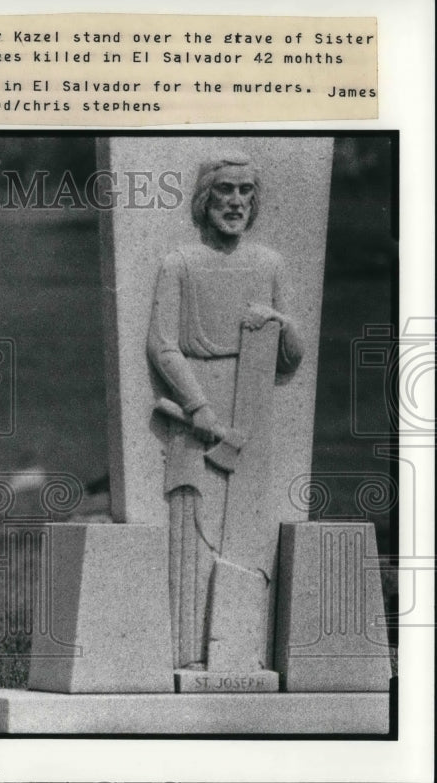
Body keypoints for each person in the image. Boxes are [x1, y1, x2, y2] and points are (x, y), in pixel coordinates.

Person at [147, 153, 303, 670]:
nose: (236, 201)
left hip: (252, 404)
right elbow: (163, 346)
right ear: (204, 199)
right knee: (196, 525)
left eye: (245, 192)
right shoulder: (179, 264)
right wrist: (199, 407)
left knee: (247, 528)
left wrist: (282, 325)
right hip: (198, 413)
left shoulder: (269, 265)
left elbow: (293, 354)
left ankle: (240, 649)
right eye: (225, 191)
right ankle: (190, 653)